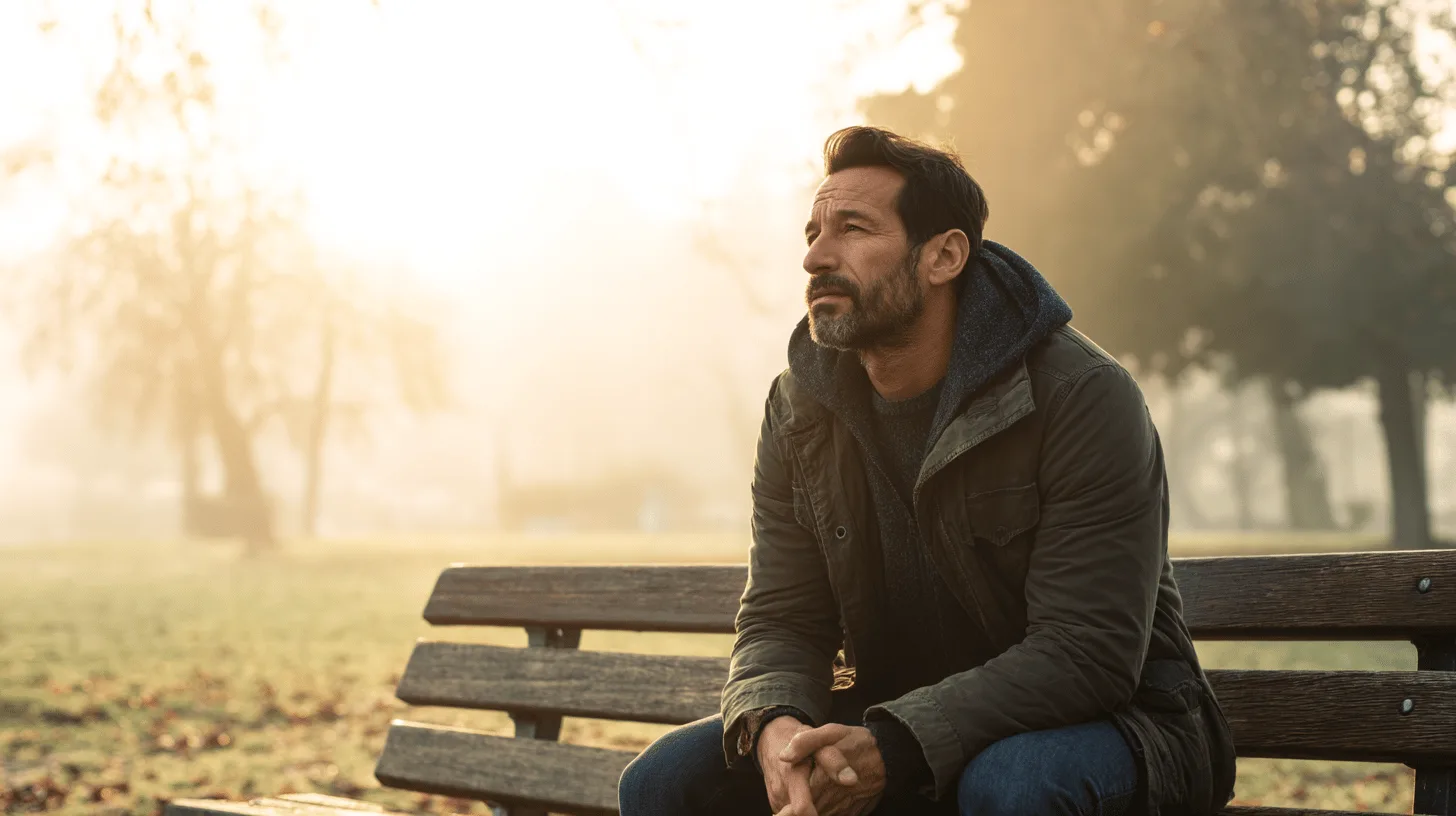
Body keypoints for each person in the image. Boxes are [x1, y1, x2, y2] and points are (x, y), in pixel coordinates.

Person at [617, 126, 1237, 816]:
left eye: (853, 229)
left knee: (1013, 784)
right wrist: (774, 725)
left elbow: (1085, 653)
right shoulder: (799, 409)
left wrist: (895, 745)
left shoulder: (1080, 395)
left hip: (1119, 727)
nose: (816, 256)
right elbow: (781, 616)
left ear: (944, 256)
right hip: (894, 718)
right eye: (813, 233)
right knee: (664, 782)